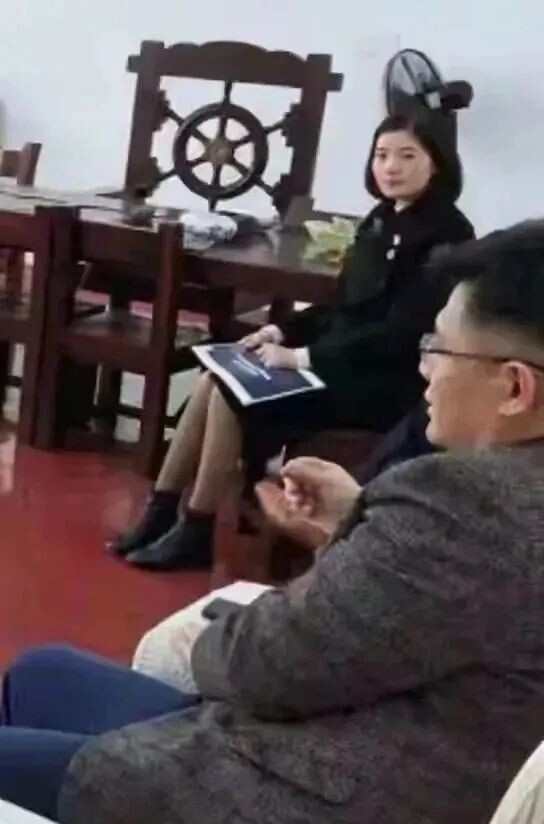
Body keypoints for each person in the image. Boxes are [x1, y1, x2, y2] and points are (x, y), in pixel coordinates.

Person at [2, 221, 544, 823]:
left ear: (514, 387)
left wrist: (218, 635)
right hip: (390, 761)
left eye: (439, 348)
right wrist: (357, 520)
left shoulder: (461, 504)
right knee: (41, 672)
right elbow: (438, 612)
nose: (425, 370)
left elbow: (264, 666)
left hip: (290, 790)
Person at [110, 111, 474, 571]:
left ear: (437, 163)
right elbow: (339, 305)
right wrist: (281, 331)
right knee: (213, 380)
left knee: (229, 395)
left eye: (407, 156)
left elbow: (399, 333)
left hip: (378, 384)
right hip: (335, 364)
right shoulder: (381, 218)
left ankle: (197, 526)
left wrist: (301, 357)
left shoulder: (449, 234)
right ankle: (161, 511)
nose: (390, 167)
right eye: (382, 155)